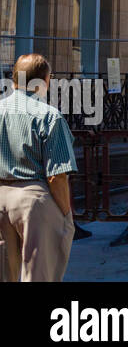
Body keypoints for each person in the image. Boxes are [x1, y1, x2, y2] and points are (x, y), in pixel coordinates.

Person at [0, 54, 77, 281]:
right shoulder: (49, 116)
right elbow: (57, 176)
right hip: (34, 200)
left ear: (14, 80)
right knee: (38, 275)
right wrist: (65, 214)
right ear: (46, 80)